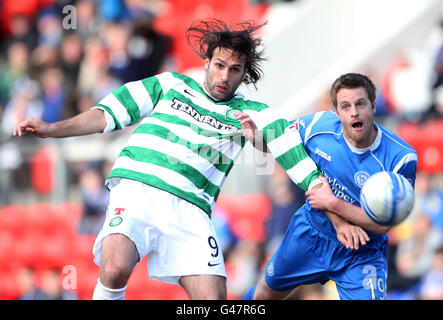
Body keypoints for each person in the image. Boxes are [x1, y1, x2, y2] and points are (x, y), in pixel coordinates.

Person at [13, 19, 323, 300]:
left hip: (191, 208)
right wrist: (52, 129)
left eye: (234, 70)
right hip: (138, 188)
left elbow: (285, 144)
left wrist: (314, 185)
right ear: (206, 62)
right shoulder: (170, 84)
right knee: (114, 270)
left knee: (213, 298)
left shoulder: (251, 112)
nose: (224, 75)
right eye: (219, 65)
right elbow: (109, 114)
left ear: (244, 73)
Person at [244, 73, 417, 300]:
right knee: (264, 295)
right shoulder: (318, 125)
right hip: (311, 231)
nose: (354, 112)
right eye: (345, 106)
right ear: (336, 112)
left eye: (360, 104)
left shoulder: (401, 158)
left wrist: (334, 203)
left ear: (373, 105)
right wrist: (256, 140)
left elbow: (383, 225)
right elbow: (283, 148)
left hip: (361, 251)